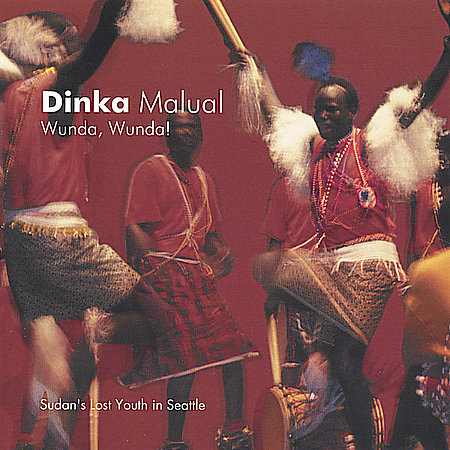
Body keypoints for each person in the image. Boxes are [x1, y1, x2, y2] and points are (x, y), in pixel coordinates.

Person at [233, 1, 450, 448]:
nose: (325, 115)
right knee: (331, 356)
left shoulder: (368, 145)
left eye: (334, 109)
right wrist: (258, 73)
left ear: (352, 113)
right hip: (335, 269)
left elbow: (416, 104)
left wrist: (448, 52)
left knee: (345, 359)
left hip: (370, 265)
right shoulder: (312, 151)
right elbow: (275, 114)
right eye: (320, 109)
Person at [0, 1, 179, 448]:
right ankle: (99, 332)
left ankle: (48, 434)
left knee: (58, 346)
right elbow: (97, 45)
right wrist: (118, 11)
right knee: (160, 314)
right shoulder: (54, 89)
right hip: (58, 239)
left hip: (19, 245)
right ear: (54, 50)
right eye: (71, 47)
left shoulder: (11, 97)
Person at [121, 109, 258, 450]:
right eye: (179, 127)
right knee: (185, 358)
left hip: (196, 276)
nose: (187, 133)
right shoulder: (151, 169)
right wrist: (145, 273)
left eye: (193, 127)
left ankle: (234, 431)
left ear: (201, 135)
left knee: (232, 349)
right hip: (164, 273)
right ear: (167, 135)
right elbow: (135, 226)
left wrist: (222, 251)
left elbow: (209, 236)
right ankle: (174, 441)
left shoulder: (204, 179)